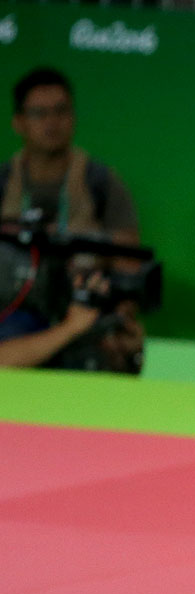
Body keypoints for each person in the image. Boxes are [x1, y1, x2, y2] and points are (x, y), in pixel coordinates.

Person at [1, 67, 147, 372]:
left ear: (74, 117)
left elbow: (128, 269)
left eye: (61, 111)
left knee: (110, 354)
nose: (52, 122)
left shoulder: (101, 184)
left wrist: (120, 318)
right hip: (11, 313)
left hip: (83, 310)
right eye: (39, 113)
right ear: (19, 122)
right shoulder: (2, 183)